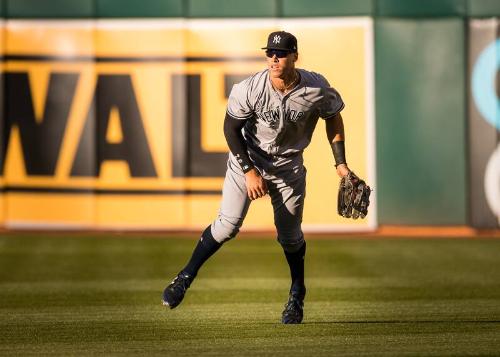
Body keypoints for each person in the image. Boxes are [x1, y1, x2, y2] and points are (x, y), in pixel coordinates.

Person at [162, 30, 352, 324]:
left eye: (281, 54)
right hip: (248, 161)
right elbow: (230, 129)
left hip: (288, 166)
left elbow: (333, 116)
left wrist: (340, 164)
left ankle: (296, 293)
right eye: (270, 53)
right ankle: (184, 277)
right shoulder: (250, 88)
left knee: (289, 237)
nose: (274, 59)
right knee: (227, 225)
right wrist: (249, 170)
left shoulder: (316, 87)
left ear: (294, 57)